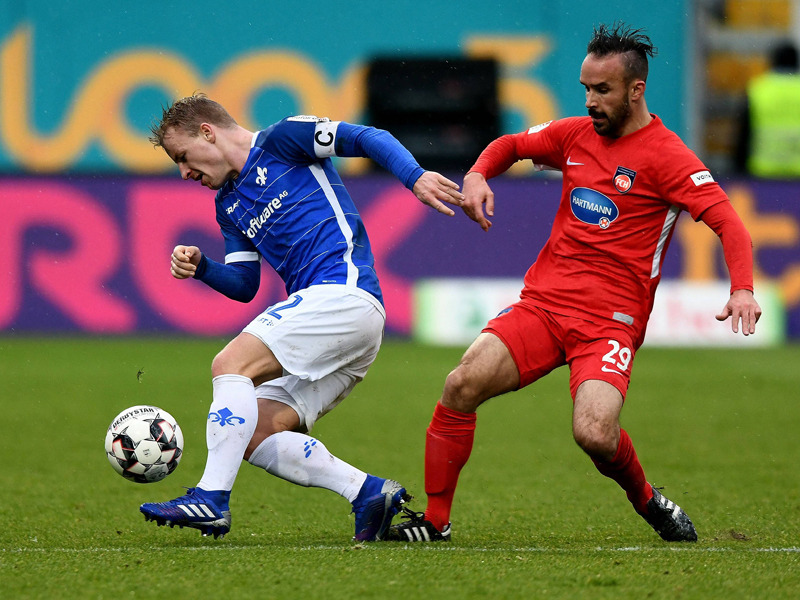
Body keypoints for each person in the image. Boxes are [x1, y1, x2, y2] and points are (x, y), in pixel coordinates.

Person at [385, 22, 762, 543]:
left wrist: (741, 287)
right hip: (543, 307)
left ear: (636, 90)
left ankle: (649, 501)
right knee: (460, 384)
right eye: (586, 88)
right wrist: (476, 175)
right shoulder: (575, 135)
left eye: (601, 90)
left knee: (594, 434)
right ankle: (435, 521)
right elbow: (512, 143)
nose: (590, 100)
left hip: (611, 322)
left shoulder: (669, 156)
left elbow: (729, 221)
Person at [139, 93, 464, 540]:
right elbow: (244, 285)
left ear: (207, 133)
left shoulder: (284, 139)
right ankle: (368, 493)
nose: (184, 172)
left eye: (183, 156)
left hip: (343, 295)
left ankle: (211, 497)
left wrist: (415, 177)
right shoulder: (229, 205)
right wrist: (203, 268)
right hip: (340, 324)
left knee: (229, 365)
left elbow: (369, 137)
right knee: (255, 431)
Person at [735, 41, 800, 177]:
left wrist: (739, 168)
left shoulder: (758, 89)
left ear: (773, 62)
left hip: (764, 171)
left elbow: (744, 132)